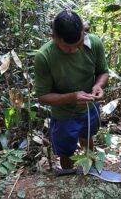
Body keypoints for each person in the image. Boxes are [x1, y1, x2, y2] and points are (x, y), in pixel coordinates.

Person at [34, 10, 109, 169]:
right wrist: (72, 97)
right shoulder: (44, 57)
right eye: (67, 48)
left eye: (79, 44)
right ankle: (67, 177)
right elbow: (42, 96)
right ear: (53, 36)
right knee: (66, 151)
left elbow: (103, 72)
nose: (74, 50)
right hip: (63, 116)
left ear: (83, 32)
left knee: (87, 138)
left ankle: (91, 170)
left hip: (90, 109)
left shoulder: (94, 43)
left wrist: (98, 86)